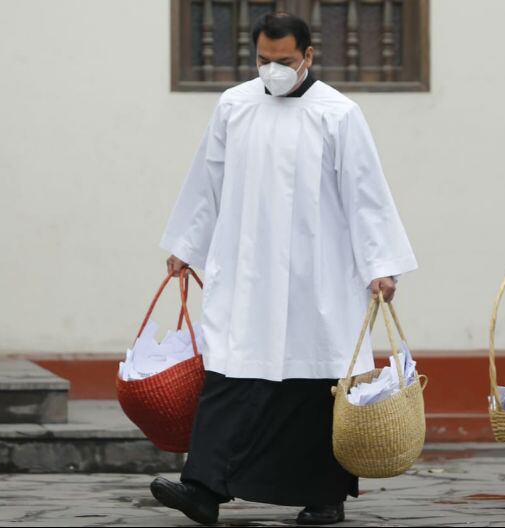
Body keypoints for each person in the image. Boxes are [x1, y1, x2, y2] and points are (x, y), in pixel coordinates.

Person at [150, 13, 417, 526]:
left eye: (285, 60)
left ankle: (324, 497)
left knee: (315, 383)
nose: (272, 69)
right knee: (230, 372)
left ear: (308, 56)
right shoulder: (234, 106)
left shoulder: (338, 114)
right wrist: (186, 244)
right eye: (263, 60)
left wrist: (381, 265)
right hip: (247, 267)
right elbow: (207, 179)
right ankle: (202, 489)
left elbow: (365, 194)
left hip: (317, 273)